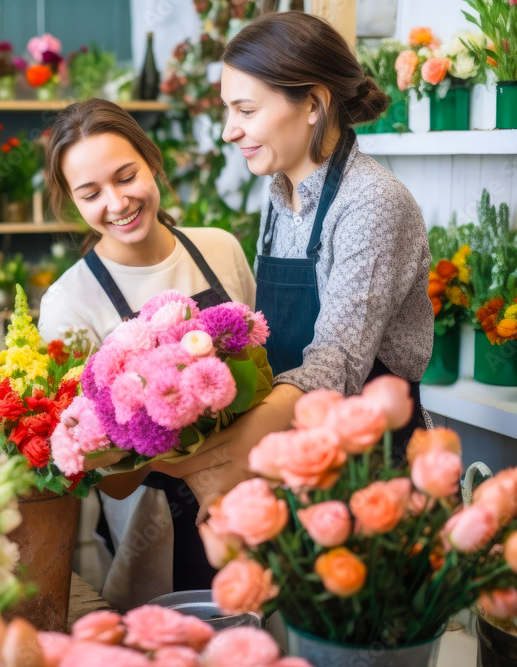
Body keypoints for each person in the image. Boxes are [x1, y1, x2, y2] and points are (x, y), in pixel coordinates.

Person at [156, 12, 434, 496]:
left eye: (245, 111)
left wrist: (224, 464)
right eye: (228, 111)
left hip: (370, 473)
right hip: (293, 452)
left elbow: (334, 367)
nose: (228, 131)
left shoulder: (370, 202)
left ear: (313, 103)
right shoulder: (281, 192)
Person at [37, 98, 258, 611]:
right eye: (91, 193)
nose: (116, 203)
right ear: (73, 203)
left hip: (256, 492)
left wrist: (233, 474)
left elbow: (267, 371)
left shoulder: (220, 249)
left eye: (126, 176)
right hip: (157, 524)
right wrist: (204, 476)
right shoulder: (70, 303)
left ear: (152, 163)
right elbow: (108, 475)